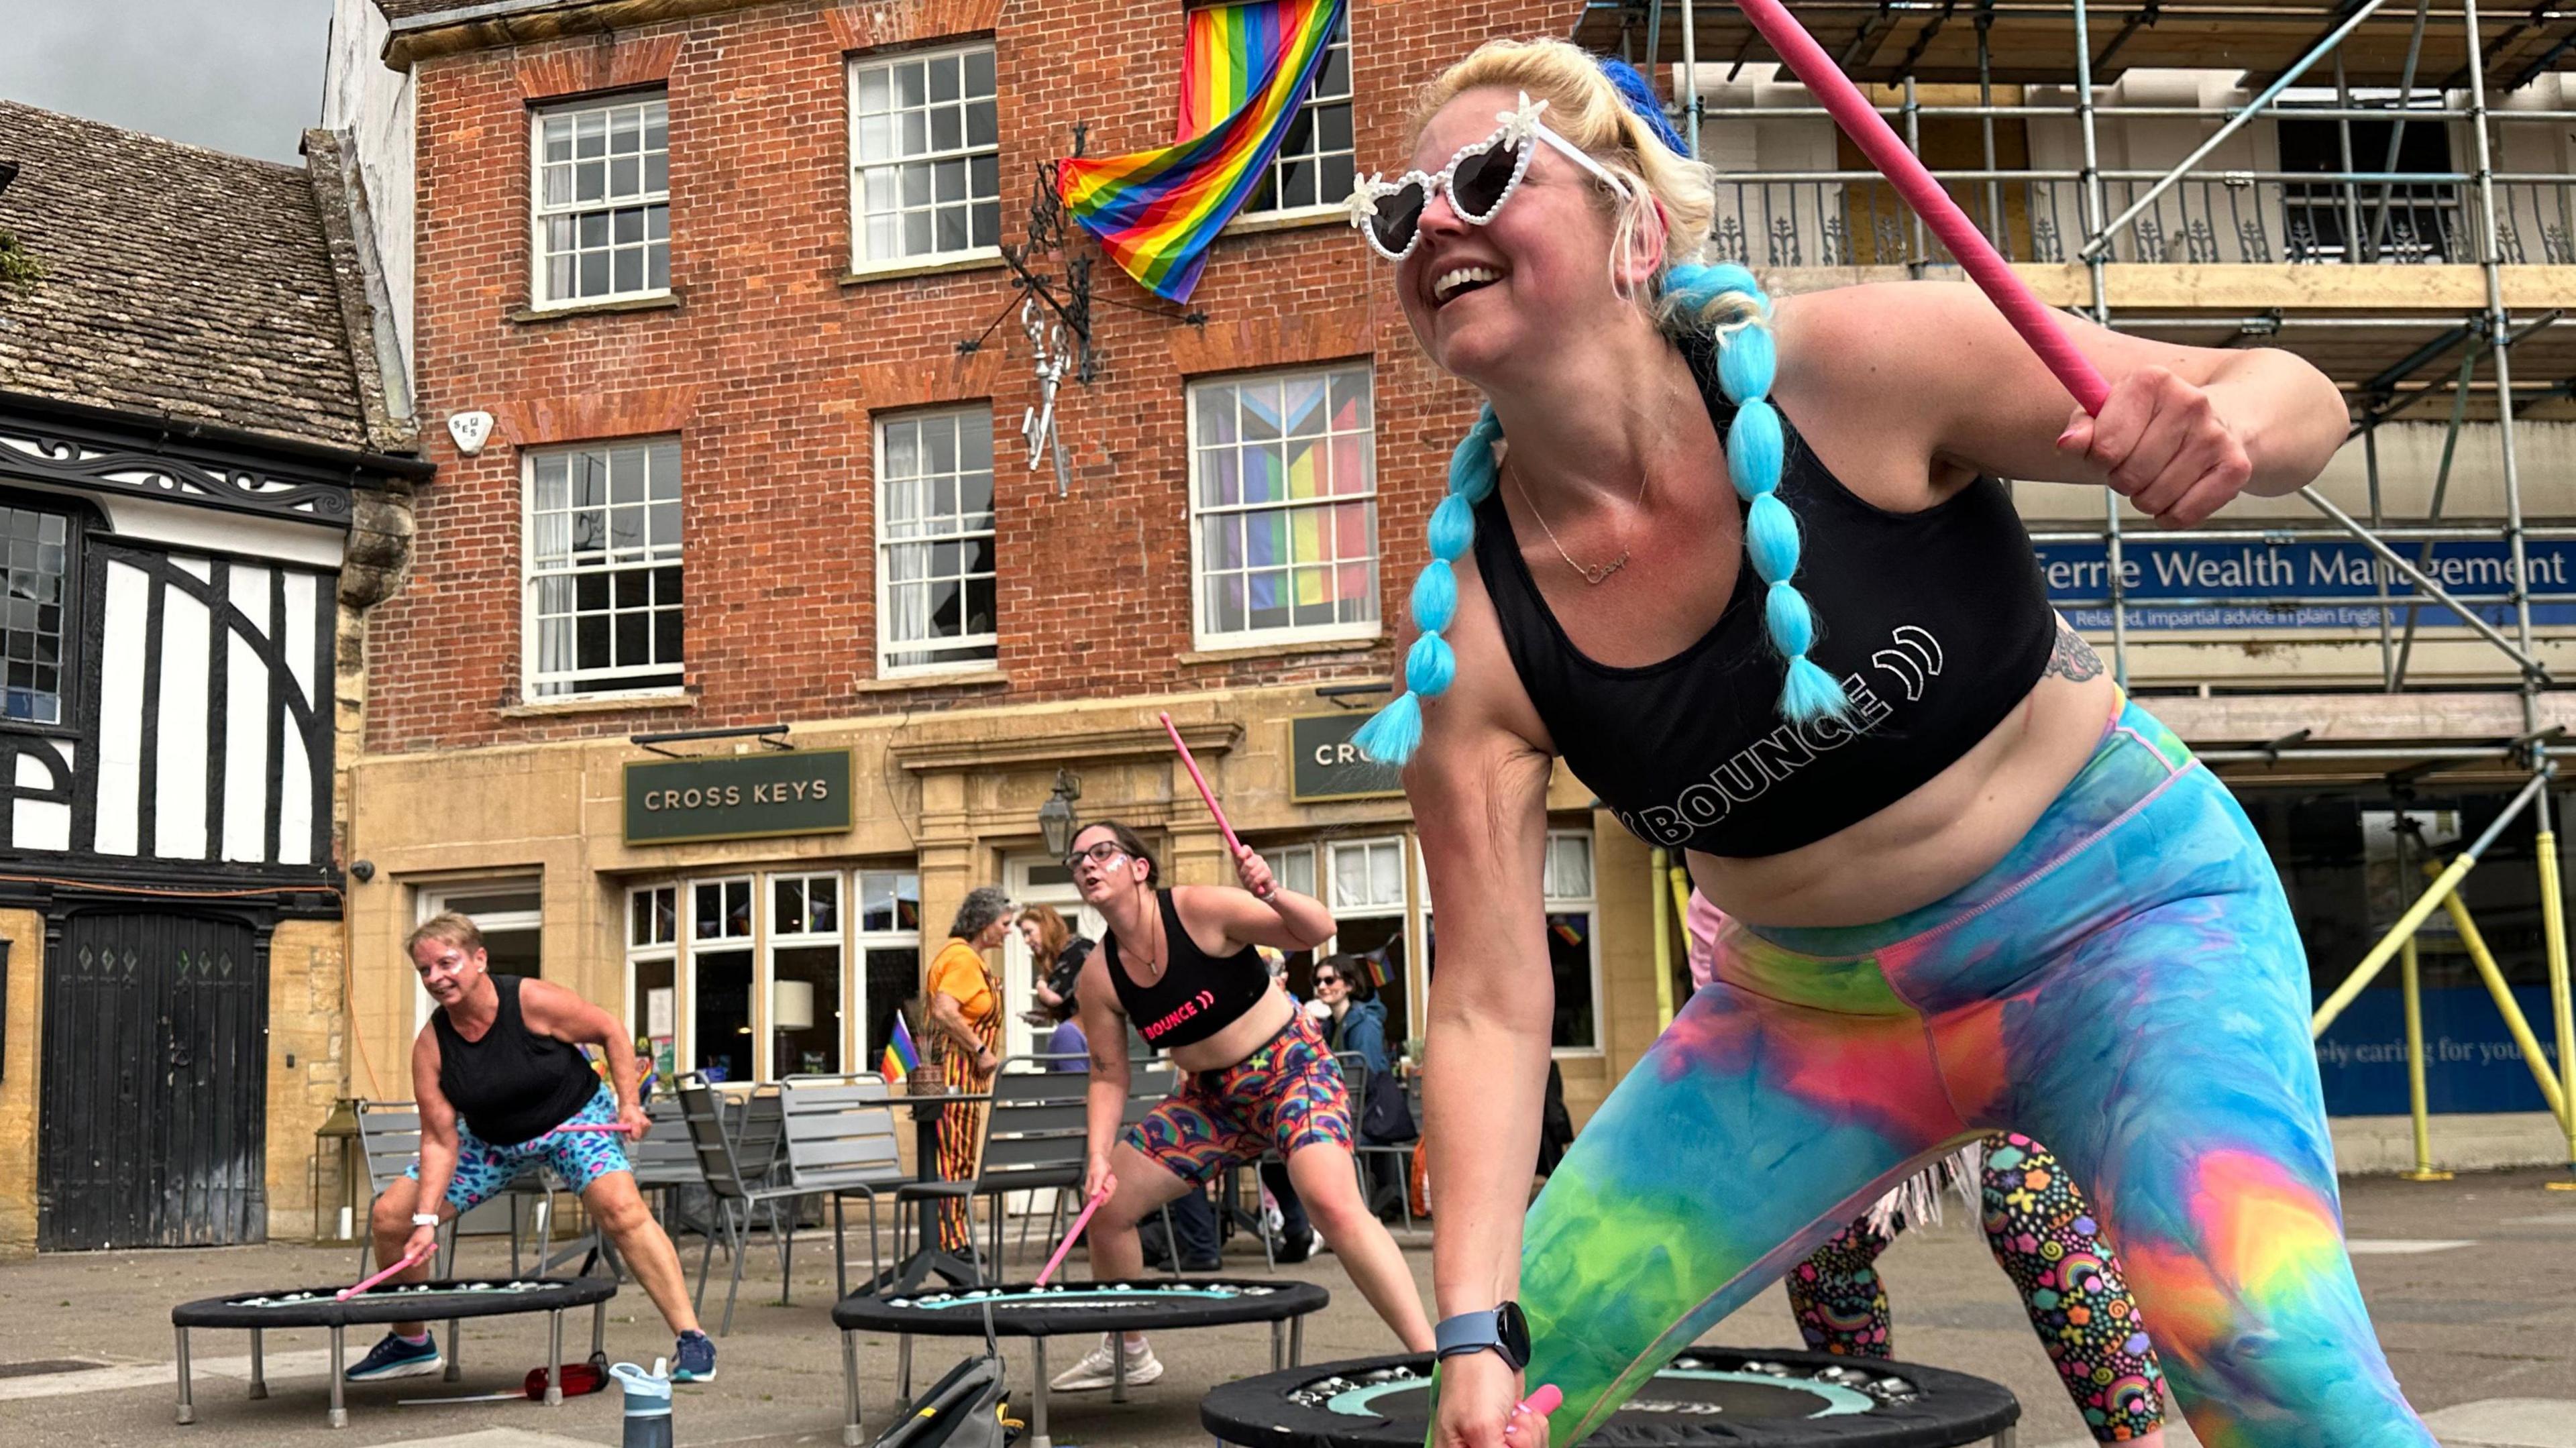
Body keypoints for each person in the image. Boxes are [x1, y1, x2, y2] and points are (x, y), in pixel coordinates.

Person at [1345, 40, 2426, 1448]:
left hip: (2128, 924)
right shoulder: (1472, 633)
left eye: (1484, 179)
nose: (1433, 223)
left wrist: (2227, 425)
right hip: (1812, 1016)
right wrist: (1471, 1329)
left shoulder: (1856, 367)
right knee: (1501, 1393)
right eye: (1395, 210)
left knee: (2272, 1348)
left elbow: (2294, 391)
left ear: (1638, 226)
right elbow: (1489, 998)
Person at [1687, 891, 2168, 1441]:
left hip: (2005, 1039)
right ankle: (1864, 1422)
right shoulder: (1726, 900)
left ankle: (2141, 1440)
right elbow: (1740, 1025)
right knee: (1826, 1243)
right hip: (1871, 1080)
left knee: (2027, 1201)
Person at [1055, 822, 1434, 1391]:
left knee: (1332, 1200)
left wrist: (1271, 892)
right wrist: (1097, 1155)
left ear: (1138, 867)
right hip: (1210, 1100)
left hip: (1292, 1070)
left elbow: (1317, 929)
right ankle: (1126, 1347)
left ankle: (1434, 1357)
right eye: (1077, 858)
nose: (1088, 863)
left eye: (1103, 851)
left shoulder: (1198, 908)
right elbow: (1109, 1073)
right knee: (1107, 1210)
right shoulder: (1099, 974)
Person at [351, 913, 714, 1383]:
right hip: (490, 1142)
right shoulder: (432, 1046)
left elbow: (609, 1030)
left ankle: (693, 1339)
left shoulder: (529, 1000)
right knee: (391, 1216)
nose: (437, 977)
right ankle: (411, 1340)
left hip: (574, 1120)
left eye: (447, 962)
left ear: (479, 958)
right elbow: (441, 1139)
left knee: (621, 1208)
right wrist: (423, 1220)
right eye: (426, 970)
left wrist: (628, 1100)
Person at [926, 886, 1012, 1254]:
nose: (1008, 930)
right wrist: (980, 1049)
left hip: (964, 1077)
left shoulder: (970, 959)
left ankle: (956, 1238)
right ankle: (951, 1243)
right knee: (953, 1157)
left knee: (959, 1155)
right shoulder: (962, 958)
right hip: (955, 1075)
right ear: (984, 924)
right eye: (1005, 923)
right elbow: (945, 1010)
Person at [1309, 955, 1406, 1219]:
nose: (1322, 986)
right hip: (1350, 1116)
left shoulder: (1364, 1023)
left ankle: (1341, 1217)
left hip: (1370, 1118)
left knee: (1315, 1145)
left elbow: (1367, 1077)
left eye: (1330, 980)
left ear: (1350, 985)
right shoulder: (1330, 1026)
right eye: (1318, 981)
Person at [1016, 903, 1093, 1066]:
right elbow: (1072, 1002)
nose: (1026, 941)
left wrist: (1040, 983)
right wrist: (1048, 1016)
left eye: (1029, 932)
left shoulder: (1075, 950)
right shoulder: (1068, 952)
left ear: (1046, 926)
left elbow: (1054, 998)